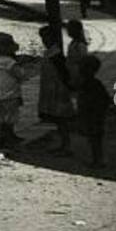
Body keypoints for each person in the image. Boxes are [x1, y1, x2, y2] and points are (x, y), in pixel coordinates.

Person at [37, 24, 75, 155]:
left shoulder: (56, 54)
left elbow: (64, 73)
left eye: (46, 38)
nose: (44, 41)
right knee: (58, 120)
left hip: (58, 90)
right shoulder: (50, 53)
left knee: (62, 119)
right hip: (51, 90)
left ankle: (67, 145)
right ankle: (64, 144)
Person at [0, 32, 28, 148]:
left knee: (3, 118)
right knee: (11, 118)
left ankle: (5, 137)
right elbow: (20, 75)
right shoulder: (10, 62)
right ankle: (8, 139)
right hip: (11, 93)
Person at [74, 54, 109, 166]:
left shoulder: (89, 84)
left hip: (92, 115)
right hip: (96, 115)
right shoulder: (94, 83)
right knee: (95, 139)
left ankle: (98, 160)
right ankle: (97, 159)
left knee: (94, 139)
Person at [64, 19, 90, 88]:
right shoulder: (73, 43)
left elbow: (83, 60)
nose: (67, 31)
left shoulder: (80, 45)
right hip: (72, 70)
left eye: (69, 29)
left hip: (77, 72)